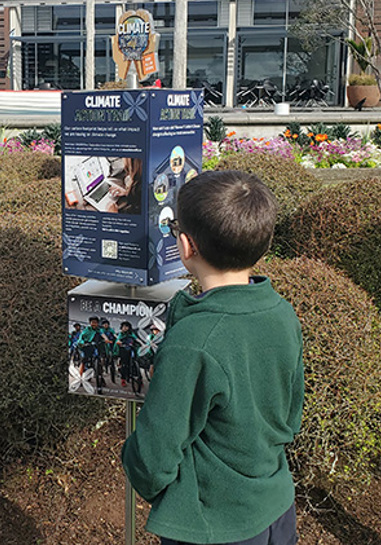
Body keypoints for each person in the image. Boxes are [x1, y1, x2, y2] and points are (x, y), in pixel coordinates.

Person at [122, 170, 305, 545]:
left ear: (186, 246)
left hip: (211, 522)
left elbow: (154, 454)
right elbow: (291, 414)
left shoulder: (195, 341)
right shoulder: (282, 312)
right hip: (275, 504)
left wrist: (140, 468)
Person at [116, 321, 143, 394]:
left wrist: (142, 344)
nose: (125, 328)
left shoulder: (131, 334)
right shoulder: (121, 334)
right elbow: (118, 340)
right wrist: (120, 343)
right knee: (124, 365)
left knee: (136, 363)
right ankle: (123, 380)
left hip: (131, 349)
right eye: (124, 326)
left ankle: (140, 380)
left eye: (127, 326)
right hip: (124, 350)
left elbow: (137, 339)